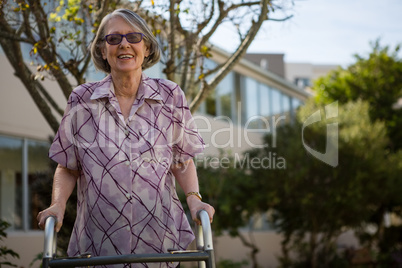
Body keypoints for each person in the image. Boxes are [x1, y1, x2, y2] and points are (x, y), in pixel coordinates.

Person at [37, 8, 214, 267]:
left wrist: (194, 200)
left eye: (133, 37)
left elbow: (182, 160)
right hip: (99, 243)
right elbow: (68, 166)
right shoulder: (81, 99)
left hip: (158, 241)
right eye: (113, 39)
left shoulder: (170, 95)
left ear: (148, 48)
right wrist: (57, 206)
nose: (124, 45)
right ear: (101, 50)